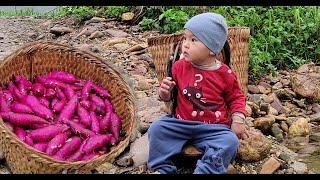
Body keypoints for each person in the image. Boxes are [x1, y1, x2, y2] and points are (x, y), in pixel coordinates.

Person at [147, 12, 249, 174]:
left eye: (193, 40)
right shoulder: (179, 67)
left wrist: (238, 119)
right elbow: (169, 97)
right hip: (181, 123)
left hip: (214, 129)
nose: (185, 45)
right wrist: (164, 92)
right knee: (157, 129)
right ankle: (163, 168)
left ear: (212, 49)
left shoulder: (225, 74)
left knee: (230, 142)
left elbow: (236, 97)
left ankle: (207, 169)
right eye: (185, 38)